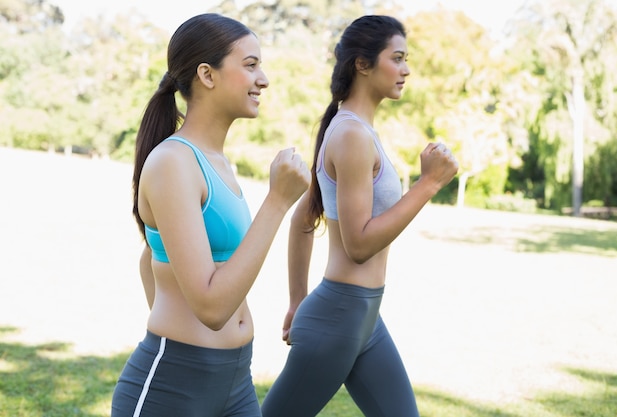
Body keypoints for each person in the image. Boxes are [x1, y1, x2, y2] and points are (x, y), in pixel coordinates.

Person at [110, 13, 311, 417]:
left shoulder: (215, 162)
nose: (264, 79)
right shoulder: (172, 161)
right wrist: (277, 201)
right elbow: (213, 308)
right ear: (207, 74)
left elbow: (152, 256)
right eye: (250, 65)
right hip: (173, 388)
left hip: (235, 380)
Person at [261, 15, 459, 417]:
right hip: (338, 317)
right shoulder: (350, 134)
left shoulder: (356, 130)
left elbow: (305, 216)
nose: (406, 69)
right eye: (397, 57)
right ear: (362, 64)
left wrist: (298, 300)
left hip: (363, 318)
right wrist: (429, 185)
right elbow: (359, 244)